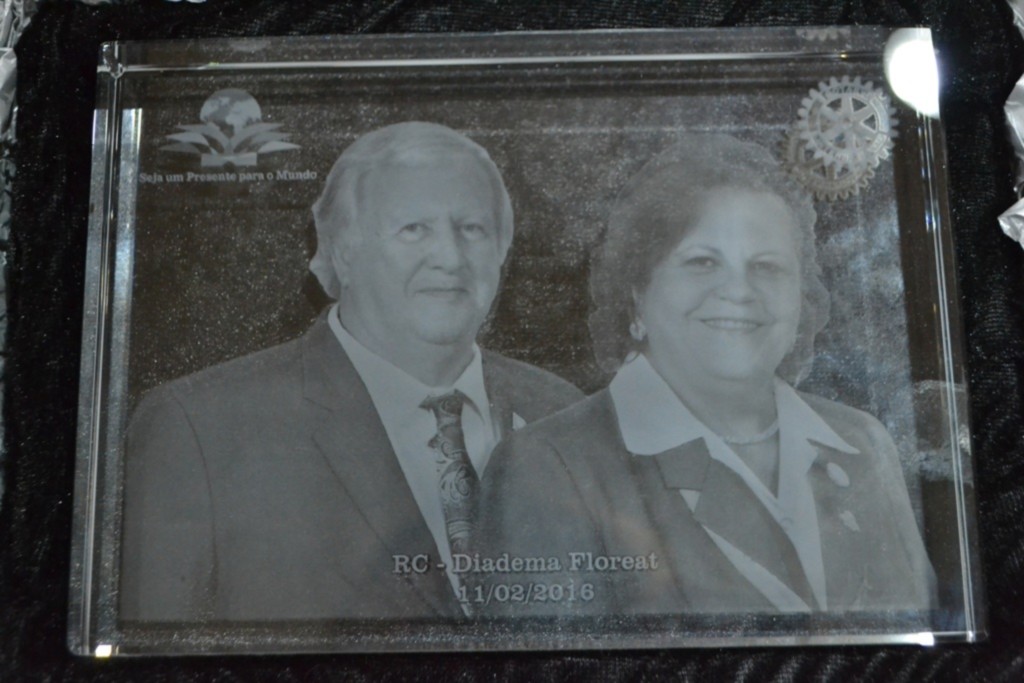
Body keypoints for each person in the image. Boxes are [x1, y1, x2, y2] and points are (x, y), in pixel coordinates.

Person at [120, 122, 583, 622]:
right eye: (414, 229)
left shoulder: (564, 410)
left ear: (502, 250)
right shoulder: (199, 431)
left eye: (472, 229)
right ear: (342, 250)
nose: (450, 258)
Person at [477, 134, 935, 617]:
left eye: (768, 266)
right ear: (636, 294)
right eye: (702, 262)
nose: (739, 291)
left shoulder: (863, 443)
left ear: (802, 296)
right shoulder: (548, 466)